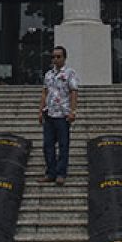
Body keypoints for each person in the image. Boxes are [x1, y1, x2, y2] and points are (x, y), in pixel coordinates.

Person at [38, 45, 78, 185]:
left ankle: (61, 173)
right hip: (49, 114)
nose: (55, 59)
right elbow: (44, 92)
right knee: (47, 145)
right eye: (53, 57)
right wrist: (40, 110)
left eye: (58, 56)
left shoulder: (70, 73)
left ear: (64, 58)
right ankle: (50, 172)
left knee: (63, 145)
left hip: (62, 114)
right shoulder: (48, 74)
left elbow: (73, 92)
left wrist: (72, 111)